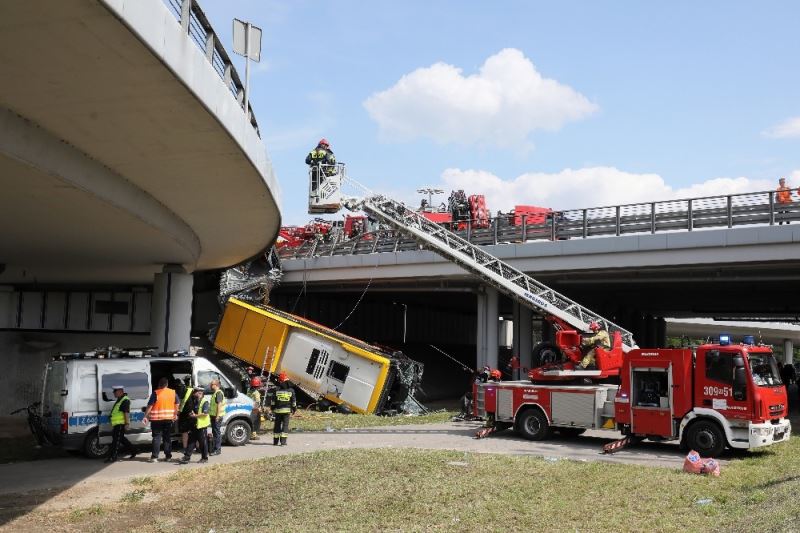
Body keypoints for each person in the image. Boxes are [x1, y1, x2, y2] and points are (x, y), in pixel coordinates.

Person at [143, 377, 179, 463]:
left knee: (156, 438)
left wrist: (145, 416)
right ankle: (168, 456)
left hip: (156, 420)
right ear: (167, 384)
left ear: (159, 385)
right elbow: (177, 403)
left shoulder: (156, 393)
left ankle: (155, 457)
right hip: (168, 419)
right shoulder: (173, 393)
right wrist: (175, 414)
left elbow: (150, 406)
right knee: (167, 437)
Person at [179, 386, 210, 464]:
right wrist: (191, 413)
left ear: (200, 393)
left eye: (195, 392)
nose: (194, 393)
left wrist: (195, 416)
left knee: (203, 443)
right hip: (194, 425)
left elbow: (205, 414)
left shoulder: (205, 402)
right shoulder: (195, 400)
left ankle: (204, 458)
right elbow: (194, 410)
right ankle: (187, 457)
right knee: (191, 442)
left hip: (201, 426)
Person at [106, 385, 136, 463]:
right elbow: (117, 411)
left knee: (116, 441)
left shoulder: (125, 400)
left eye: (115, 392)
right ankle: (134, 451)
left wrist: (127, 423)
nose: (114, 394)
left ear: (120, 391)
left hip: (120, 424)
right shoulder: (120, 399)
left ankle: (113, 457)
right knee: (121, 439)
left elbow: (126, 412)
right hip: (117, 424)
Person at [270, 372, 296, 446]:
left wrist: (272, 409)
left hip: (278, 412)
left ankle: (275, 442)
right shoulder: (291, 390)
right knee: (285, 426)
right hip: (286, 412)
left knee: (277, 426)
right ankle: (283, 442)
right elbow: (293, 402)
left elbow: (273, 402)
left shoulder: (277, 390)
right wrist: (294, 409)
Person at [209, 379, 226, 456]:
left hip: (217, 416)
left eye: (212, 384)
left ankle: (217, 449)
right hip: (213, 416)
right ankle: (215, 448)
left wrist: (217, 416)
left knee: (216, 433)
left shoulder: (218, 393)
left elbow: (219, 405)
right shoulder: (215, 393)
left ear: (216, 385)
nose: (210, 385)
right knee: (215, 432)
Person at [177, 377, 194, 451]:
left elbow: (181, 401)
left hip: (184, 413)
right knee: (193, 431)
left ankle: (185, 447)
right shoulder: (193, 390)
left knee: (184, 431)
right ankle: (196, 447)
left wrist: (178, 412)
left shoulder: (183, 390)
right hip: (192, 412)